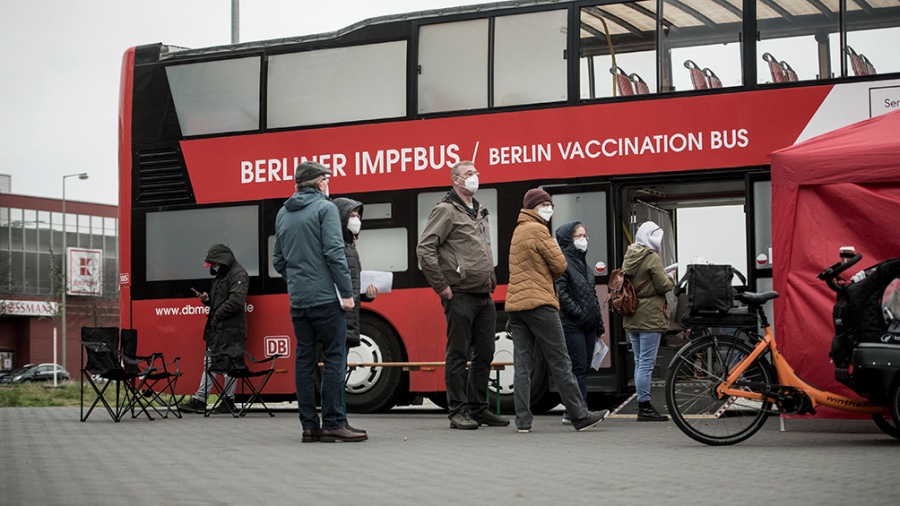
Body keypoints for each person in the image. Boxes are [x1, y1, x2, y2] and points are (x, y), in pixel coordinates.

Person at [272, 161, 366, 443]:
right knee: (335, 357)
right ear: (320, 182)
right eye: (327, 179)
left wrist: (298, 281)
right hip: (326, 299)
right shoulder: (325, 209)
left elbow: (278, 260)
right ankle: (334, 422)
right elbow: (334, 253)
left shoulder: (283, 213)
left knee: (305, 360)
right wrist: (346, 293)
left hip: (299, 300)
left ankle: (309, 426)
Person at [416, 160, 509, 430]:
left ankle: (479, 408)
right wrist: (442, 286)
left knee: (486, 352)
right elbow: (425, 248)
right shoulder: (446, 210)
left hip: (483, 293)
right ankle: (458, 411)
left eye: (476, 172)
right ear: (456, 180)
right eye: (469, 173)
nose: (475, 176)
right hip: (459, 293)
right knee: (458, 353)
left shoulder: (479, 209)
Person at [506, 189, 608, 433]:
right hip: (540, 303)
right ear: (532, 207)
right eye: (544, 204)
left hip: (516, 305)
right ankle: (579, 416)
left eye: (550, 204)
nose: (549, 208)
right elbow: (560, 264)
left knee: (523, 365)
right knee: (561, 361)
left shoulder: (518, 231)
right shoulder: (538, 229)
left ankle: (523, 421)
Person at [177, 243, 248, 415]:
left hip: (230, 329)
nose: (213, 267)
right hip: (219, 328)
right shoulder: (224, 274)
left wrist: (216, 315)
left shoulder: (238, 274)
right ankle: (216, 400)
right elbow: (223, 300)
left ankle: (208, 400)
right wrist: (207, 299)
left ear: (222, 261)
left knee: (227, 363)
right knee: (213, 362)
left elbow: (235, 301)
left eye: (214, 264)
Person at [622, 221, 676, 422]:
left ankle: (642, 403)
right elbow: (663, 286)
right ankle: (644, 406)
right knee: (646, 363)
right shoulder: (651, 257)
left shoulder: (630, 255)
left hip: (632, 314)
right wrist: (671, 277)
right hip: (650, 317)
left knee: (639, 362)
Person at [554, 221, 605, 425]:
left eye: (585, 236)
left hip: (588, 325)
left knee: (583, 367)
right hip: (572, 324)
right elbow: (561, 293)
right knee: (578, 368)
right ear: (568, 239)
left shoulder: (584, 264)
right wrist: (578, 313)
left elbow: (592, 296)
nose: (583, 240)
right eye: (578, 236)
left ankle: (574, 410)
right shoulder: (563, 263)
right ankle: (578, 411)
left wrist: (599, 324)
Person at [332, 197, 379, 352]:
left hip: (347, 320)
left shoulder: (349, 246)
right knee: (337, 362)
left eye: (358, 216)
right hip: (340, 319)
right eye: (352, 216)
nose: (356, 220)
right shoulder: (338, 247)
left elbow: (351, 282)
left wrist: (366, 294)